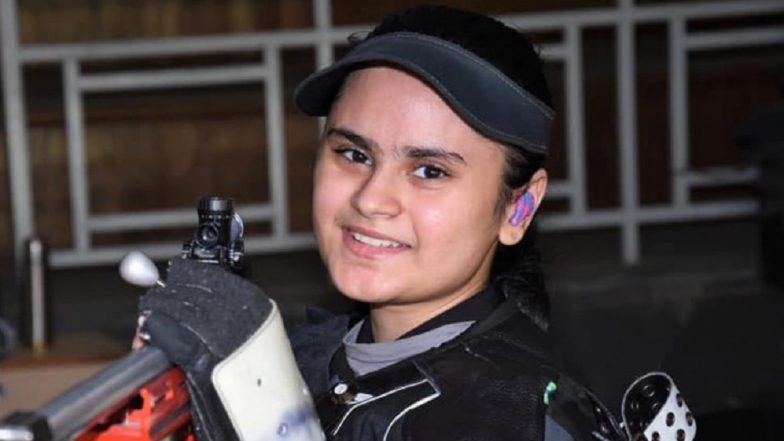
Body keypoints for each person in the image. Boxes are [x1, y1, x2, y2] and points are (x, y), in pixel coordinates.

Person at [138, 5, 695, 441]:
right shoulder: (319, 355)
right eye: (353, 154)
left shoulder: (505, 418)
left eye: (429, 170)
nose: (373, 199)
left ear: (519, 208)